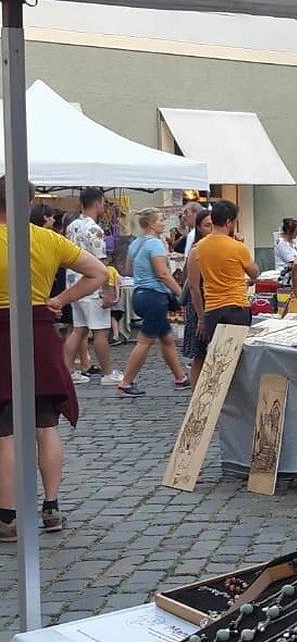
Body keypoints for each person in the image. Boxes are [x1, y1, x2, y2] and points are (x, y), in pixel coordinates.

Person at [0, 180, 108, 539]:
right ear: (30, 202)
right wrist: (60, 300)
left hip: (1, 332)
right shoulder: (48, 239)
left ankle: (8, 516)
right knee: (46, 424)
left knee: (6, 430)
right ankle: (51, 507)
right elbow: (99, 273)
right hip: (39, 329)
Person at [116, 209, 189, 397]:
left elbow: (128, 270)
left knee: (167, 338)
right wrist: (181, 293)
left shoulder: (135, 244)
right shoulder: (156, 244)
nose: (164, 222)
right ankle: (126, 382)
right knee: (145, 341)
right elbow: (163, 273)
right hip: (154, 297)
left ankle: (180, 378)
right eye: (161, 220)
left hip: (139, 295)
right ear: (151, 224)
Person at [187, 200, 257, 382]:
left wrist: (201, 317)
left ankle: (214, 392)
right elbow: (254, 273)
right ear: (228, 222)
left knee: (217, 359)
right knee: (237, 359)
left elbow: (194, 287)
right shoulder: (237, 247)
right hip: (237, 306)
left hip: (212, 309)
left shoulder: (197, 249)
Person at [63, 187, 118, 384]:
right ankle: (108, 373)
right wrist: (107, 290)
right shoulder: (95, 230)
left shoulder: (72, 226)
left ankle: (68, 371)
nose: (104, 206)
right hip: (91, 285)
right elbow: (101, 263)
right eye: (103, 203)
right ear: (97, 203)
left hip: (74, 283)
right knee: (100, 331)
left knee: (79, 329)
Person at [181, 209, 213, 365]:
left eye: (214, 225)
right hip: (199, 302)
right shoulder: (196, 249)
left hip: (214, 302)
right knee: (199, 355)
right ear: (199, 228)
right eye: (208, 225)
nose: (212, 229)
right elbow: (192, 285)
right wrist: (201, 317)